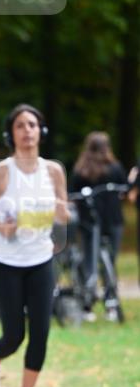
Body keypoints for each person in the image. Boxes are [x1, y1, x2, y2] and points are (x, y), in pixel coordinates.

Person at [0, 104, 68, 387]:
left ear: (41, 131)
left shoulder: (53, 171)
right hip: (6, 261)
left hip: (41, 259)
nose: (28, 130)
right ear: (11, 134)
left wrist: (61, 210)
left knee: (40, 330)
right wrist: (1, 227)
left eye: (33, 125)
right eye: (20, 126)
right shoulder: (1, 172)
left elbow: (64, 214)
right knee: (14, 335)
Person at [70, 132, 127, 321]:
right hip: (113, 221)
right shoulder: (115, 167)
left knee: (91, 262)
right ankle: (110, 301)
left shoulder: (81, 170)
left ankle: (89, 304)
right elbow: (124, 190)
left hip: (90, 222)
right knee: (109, 262)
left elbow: (73, 194)